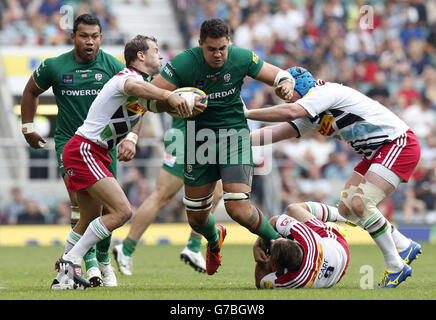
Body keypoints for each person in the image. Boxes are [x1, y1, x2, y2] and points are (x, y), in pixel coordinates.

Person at [246, 66, 422, 289]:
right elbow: (278, 132)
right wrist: (240, 138)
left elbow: (291, 113)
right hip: (376, 151)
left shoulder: (324, 93)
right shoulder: (313, 111)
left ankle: (396, 265)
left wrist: (248, 113)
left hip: (397, 143)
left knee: (361, 203)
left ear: (300, 85)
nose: (285, 98)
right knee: (347, 208)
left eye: (287, 92)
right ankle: (403, 244)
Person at [150, 18, 296, 275]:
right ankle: (214, 237)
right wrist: (173, 100)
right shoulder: (184, 63)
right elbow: (150, 99)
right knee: (196, 218)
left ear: (229, 43)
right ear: (200, 45)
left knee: (237, 207)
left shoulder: (241, 58)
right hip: (198, 140)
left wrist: (285, 84)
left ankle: (281, 245)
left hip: (234, 136)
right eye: (211, 49)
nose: (218, 55)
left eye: (222, 48)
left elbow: (280, 75)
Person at [53, 34, 198, 289]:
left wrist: (186, 102)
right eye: (155, 51)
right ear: (140, 56)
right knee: (122, 211)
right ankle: (71, 259)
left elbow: (152, 105)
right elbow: (136, 89)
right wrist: (169, 95)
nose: (161, 56)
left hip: (90, 151)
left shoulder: (143, 85)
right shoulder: (127, 78)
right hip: (84, 150)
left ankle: (62, 279)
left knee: (88, 219)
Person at [20, 13, 126, 288]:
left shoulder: (113, 67)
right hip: (70, 145)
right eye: (84, 36)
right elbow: (30, 91)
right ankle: (87, 264)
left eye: (94, 36)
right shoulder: (55, 66)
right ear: (73, 37)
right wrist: (27, 126)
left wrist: (132, 136)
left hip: (104, 145)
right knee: (81, 205)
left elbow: (138, 99)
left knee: (108, 208)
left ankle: (102, 261)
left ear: (101, 38)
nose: (89, 42)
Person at [113, 115, 224, 275]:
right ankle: (126, 248)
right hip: (188, 136)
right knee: (161, 196)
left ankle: (193, 246)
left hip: (194, 136)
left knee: (216, 192)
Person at [254, 201, 349, 289]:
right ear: (296, 242)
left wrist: (259, 248)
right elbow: (276, 220)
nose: (272, 241)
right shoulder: (306, 238)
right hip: (339, 249)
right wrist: (261, 246)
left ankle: (344, 215)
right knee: (293, 209)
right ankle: (343, 216)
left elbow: (260, 281)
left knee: (291, 212)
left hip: (336, 275)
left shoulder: (292, 280)